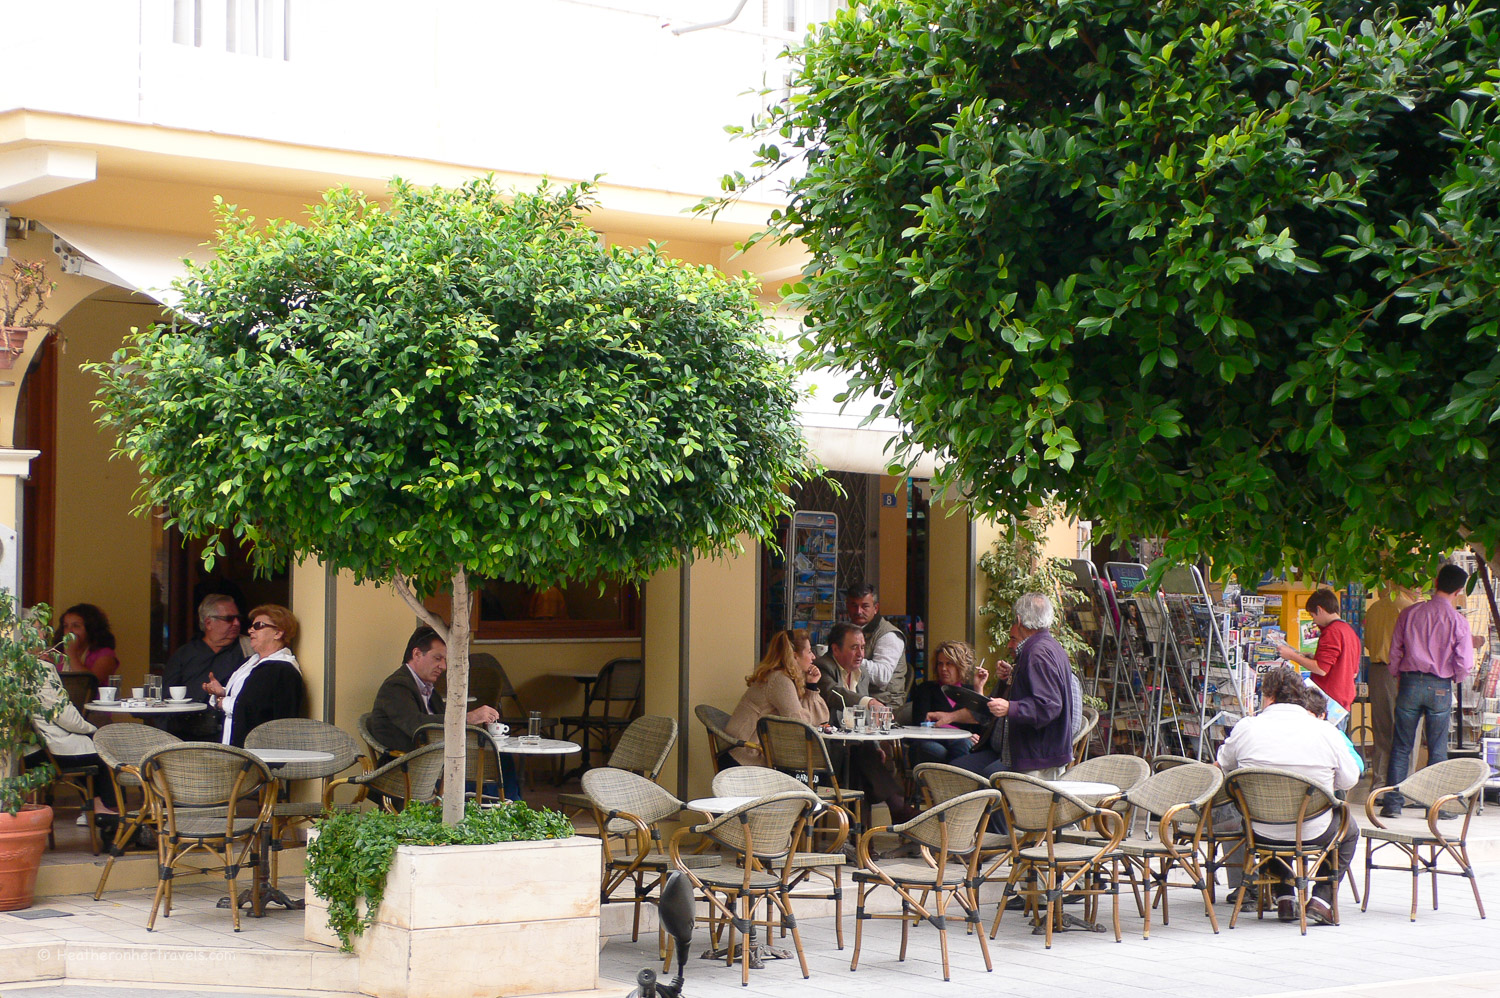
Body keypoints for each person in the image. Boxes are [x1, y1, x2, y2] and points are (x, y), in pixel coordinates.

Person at [1216, 665, 1362, 925]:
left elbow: (1225, 765)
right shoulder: (1326, 731)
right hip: (1313, 828)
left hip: (1259, 829)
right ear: (1302, 696)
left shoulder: (1247, 727)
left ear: (1268, 696)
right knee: (1349, 829)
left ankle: (1285, 897)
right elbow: (1349, 779)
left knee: (1268, 817)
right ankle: (1322, 900)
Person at [932, 594, 1079, 780]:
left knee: (1003, 800)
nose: (1010, 644)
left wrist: (1010, 707)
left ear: (1018, 620)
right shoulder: (1048, 646)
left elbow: (1048, 706)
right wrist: (1012, 677)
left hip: (1037, 756)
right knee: (959, 774)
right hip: (1036, 753)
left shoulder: (1037, 652)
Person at [366, 626, 512, 795]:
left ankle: (505, 807)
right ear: (417, 654)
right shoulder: (397, 686)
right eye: (438, 658)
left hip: (436, 762)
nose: (443, 666)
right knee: (489, 769)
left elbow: (443, 724)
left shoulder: (429, 689)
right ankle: (498, 809)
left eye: (445, 660)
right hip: (407, 767)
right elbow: (416, 725)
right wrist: (466, 718)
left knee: (501, 758)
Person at [1381, 564, 1477, 817]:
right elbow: (1465, 663)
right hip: (1440, 687)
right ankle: (1435, 807)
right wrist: (1453, 677)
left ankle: (1392, 804)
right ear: (1459, 590)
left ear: (1435, 581)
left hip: (1410, 682)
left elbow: (1395, 650)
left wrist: (1398, 673)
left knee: (1401, 745)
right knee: (1437, 748)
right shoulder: (1458, 621)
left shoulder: (1411, 613)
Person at [203, 604, 306, 748]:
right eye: (252, 626)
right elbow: (250, 696)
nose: (250, 630)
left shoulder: (283, 670)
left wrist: (225, 702)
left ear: (278, 633)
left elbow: (269, 713)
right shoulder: (250, 662)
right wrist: (223, 692)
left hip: (259, 752)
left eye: (258, 626)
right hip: (233, 746)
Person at [28, 665, 118, 826]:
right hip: (49, 749)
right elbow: (65, 716)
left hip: (25, 753)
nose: (45, 638)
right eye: (42, 637)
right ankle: (107, 815)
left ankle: (97, 806)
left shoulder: (8, 666)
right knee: (103, 751)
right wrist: (92, 730)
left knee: (89, 748)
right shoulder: (40, 669)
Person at [722, 630, 828, 767]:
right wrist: (811, 688)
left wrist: (811, 687)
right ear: (795, 657)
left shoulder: (778, 676)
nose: (813, 657)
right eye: (809, 652)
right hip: (743, 759)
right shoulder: (780, 680)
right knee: (810, 770)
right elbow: (800, 725)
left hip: (741, 754)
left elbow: (814, 721)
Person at [162, 594, 249, 739]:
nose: (237, 623)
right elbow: (164, 698)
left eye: (238, 618)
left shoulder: (248, 650)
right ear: (208, 623)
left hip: (228, 733)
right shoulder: (185, 654)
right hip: (184, 734)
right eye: (229, 619)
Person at [1362, 584, 1419, 791]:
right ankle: (1404, 786)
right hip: (1401, 672)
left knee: (1382, 731)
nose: (1420, 592)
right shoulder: (1409, 609)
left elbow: (1368, 642)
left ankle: (1379, 784)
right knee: (1406, 731)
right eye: (1419, 587)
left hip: (1377, 671)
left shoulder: (1374, 608)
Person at [1276, 588, 1361, 714]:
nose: (1313, 621)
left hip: (1329, 702)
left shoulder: (1332, 631)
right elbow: (1352, 671)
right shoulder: (1349, 631)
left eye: (1312, 615)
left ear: (1320, 609)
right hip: (1343, 701)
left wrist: (1292, 656)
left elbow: (1321, 669)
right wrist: (1312, 657)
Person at [907, 640, 989, 765]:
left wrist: (979, 689)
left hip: (962, 744)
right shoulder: (926, 689)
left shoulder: (969, 691)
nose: (943, 669)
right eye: (940, 664)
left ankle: (949, 781)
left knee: (964, 746)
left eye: (949, 664)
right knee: (938, 749)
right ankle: (953, 781)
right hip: (930, 741)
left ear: (959, 666)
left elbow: (983, 726)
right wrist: (962, 735)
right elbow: (921, 722)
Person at [845, 583, 909, 709]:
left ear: (876, 608)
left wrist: (848, 658)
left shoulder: (889, 635)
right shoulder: (848, 630)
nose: (858, 611)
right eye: (854, 606)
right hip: (857, 699)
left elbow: (882, 676)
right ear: (847, 606)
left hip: (885, 705)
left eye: (865, 606)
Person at [812, 622, 877, 719]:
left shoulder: (862, 672)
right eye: (854, 648)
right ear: (836, 649)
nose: (860, 654)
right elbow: (834, 694)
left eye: (862, 647)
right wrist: (868, 702)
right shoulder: (822, 667)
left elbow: (865, 717)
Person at [52, 603, 119, 683]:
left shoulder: (105, 655)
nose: (69, 631)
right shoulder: (58, 654)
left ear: (91, 628)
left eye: (76, 626)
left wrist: (71, 654)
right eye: (66, 626)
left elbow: (88, 683)